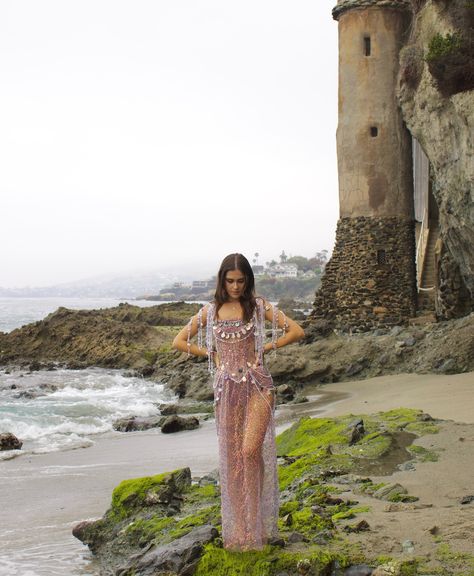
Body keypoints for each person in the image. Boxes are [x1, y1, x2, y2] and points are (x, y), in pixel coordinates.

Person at [172, 253, 305, 551]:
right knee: (233, 461)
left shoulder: (258, 307)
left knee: (249, 452)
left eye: (240, 281)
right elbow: (179, 341)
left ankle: (257, 521)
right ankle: (242, 527)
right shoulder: (210, 310)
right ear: (222, 280)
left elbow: (296, 330)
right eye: (230, 281)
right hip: (227, 392)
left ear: (248, 281)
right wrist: (212, 355)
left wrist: (267, 346)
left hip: (258, 387)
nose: (235, 286)